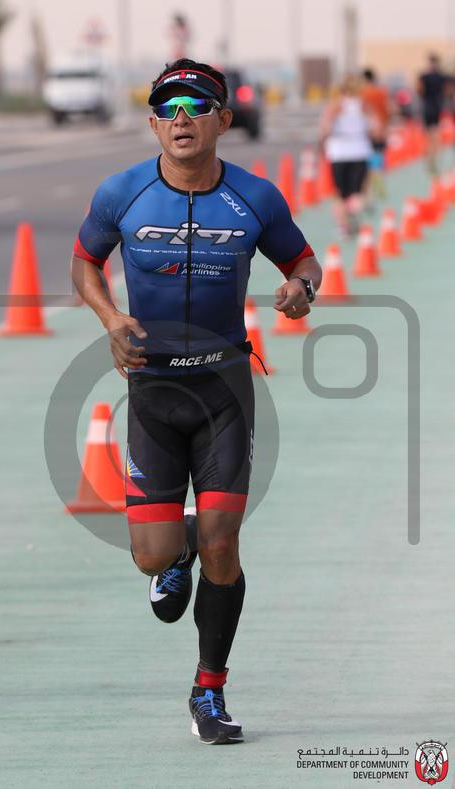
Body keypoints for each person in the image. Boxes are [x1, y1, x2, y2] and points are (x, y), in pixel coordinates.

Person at [71, 58, 321, 745]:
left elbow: (303, 260)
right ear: (153, 124)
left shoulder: (255, 198)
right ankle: (173, 551)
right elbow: (84, 262)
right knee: (151, 558)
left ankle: (209, 689)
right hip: (153, 390)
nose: (180, 119)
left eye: (196, 106)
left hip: (224, 390)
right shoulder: (122, 193)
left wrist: (302, 289)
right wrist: (110, 319)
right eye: (166, 108)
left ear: (223, 120)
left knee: (223, 542)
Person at [320, 74, 378, 238]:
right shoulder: (364, 105)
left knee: (340, 193)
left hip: (339, 151)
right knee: (357, 191)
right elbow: (375, 128)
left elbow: (325, 128)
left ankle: (343, 226)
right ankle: (353, 211)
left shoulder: (336, 105)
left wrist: (323, 143)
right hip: (360, 150)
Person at [361, 68, 391, 199]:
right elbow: (388, 109)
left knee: (366, 162)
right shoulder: (381, 92)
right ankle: (378, 179)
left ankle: (368, 189)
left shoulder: (361, 93)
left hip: (366, 132)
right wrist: (386, 127)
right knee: (378, 157)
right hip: (380, 130)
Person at [417, 54, 449, 175]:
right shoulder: (441, 76)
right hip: (436, 107)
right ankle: (433, 158)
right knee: (435, 134)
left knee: (429, 135)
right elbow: (447, 90)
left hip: (428, 107)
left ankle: (430, 158)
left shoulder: (424, 76)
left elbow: (419, 90)